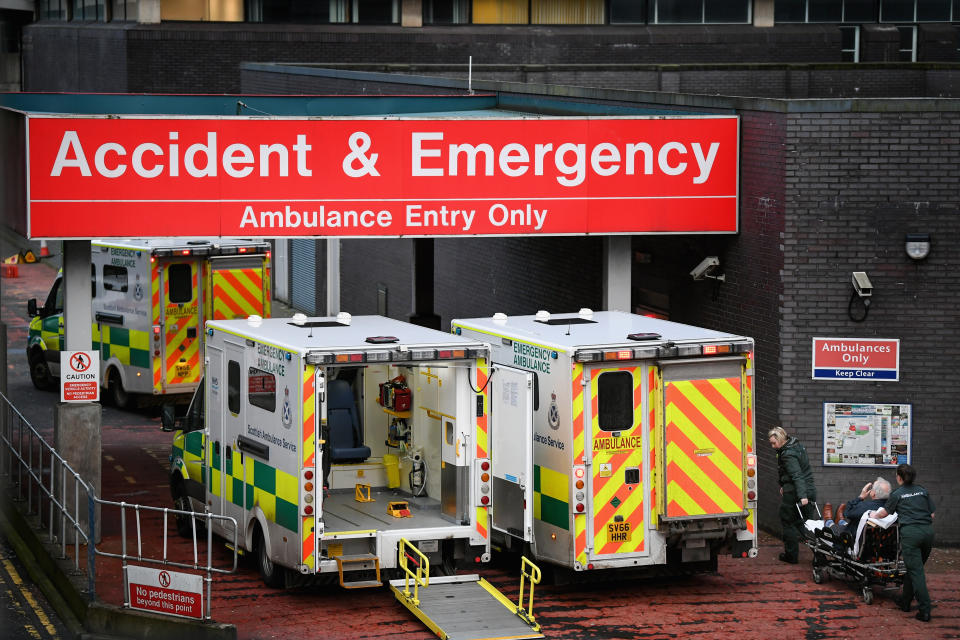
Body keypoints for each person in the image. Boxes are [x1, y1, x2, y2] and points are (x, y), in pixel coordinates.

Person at [869, 463, 936, 622]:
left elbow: (884, 513)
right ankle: (905, 601)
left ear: (899, 477)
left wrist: (873, 515)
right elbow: (932, 515)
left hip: (911, 534)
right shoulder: (922, 490)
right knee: (914, 569)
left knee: (916, 572)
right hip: (927, 532)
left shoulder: (897, 493)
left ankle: (925, 610)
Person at [769, 426, 817, 564]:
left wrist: (802, 496)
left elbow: (797, 475)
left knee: (787, 520)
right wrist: (785, 485)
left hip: (797, 493)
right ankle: (821, 554)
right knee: (807, 524)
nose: (773, 446)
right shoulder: (797, 446)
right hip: (808, 489)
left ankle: (791, 556)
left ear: (781, 439)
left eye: (774, 443)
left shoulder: (788, 454)